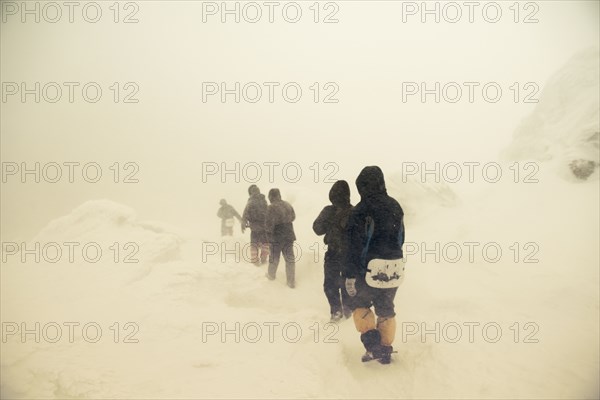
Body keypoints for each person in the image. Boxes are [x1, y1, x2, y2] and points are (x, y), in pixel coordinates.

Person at [344, 166, 405, 364]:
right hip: (395, 267)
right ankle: (386, 348)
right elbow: (401, 237)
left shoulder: (361, 210)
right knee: (386, 308)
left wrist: (350, 274)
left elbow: (353, 245)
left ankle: (374, 346)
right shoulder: (396, 206)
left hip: (368, 268)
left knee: (360, 304)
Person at [313, 180, 354, 322]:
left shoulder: (329, 211)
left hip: (333, 253)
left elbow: (317, 229)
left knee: (330, 284)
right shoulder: (355, 211)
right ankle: (348, 311)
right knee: (347, 285)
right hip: (350, 255)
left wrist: (329, 221)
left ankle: (336, 312)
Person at [265, 188, 296, 288]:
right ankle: (291, 281)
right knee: (289, 259)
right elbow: (293, 217)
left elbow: (268, 224)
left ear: (271, 197)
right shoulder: (287, 204)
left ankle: (271, 275)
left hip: (276, 237)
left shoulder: (271, 208)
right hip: (288, 235)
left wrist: (268, 236)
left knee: (274, 257)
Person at [242, 185, 270, 266]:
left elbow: (245, 213)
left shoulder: (251, 201)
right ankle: (264, 258)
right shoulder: (263, 200)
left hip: (254, 227)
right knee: (265, 243)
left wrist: (243, 223)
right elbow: (268, 212)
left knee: (254, 243)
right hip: (264, 226)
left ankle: (255, 261)